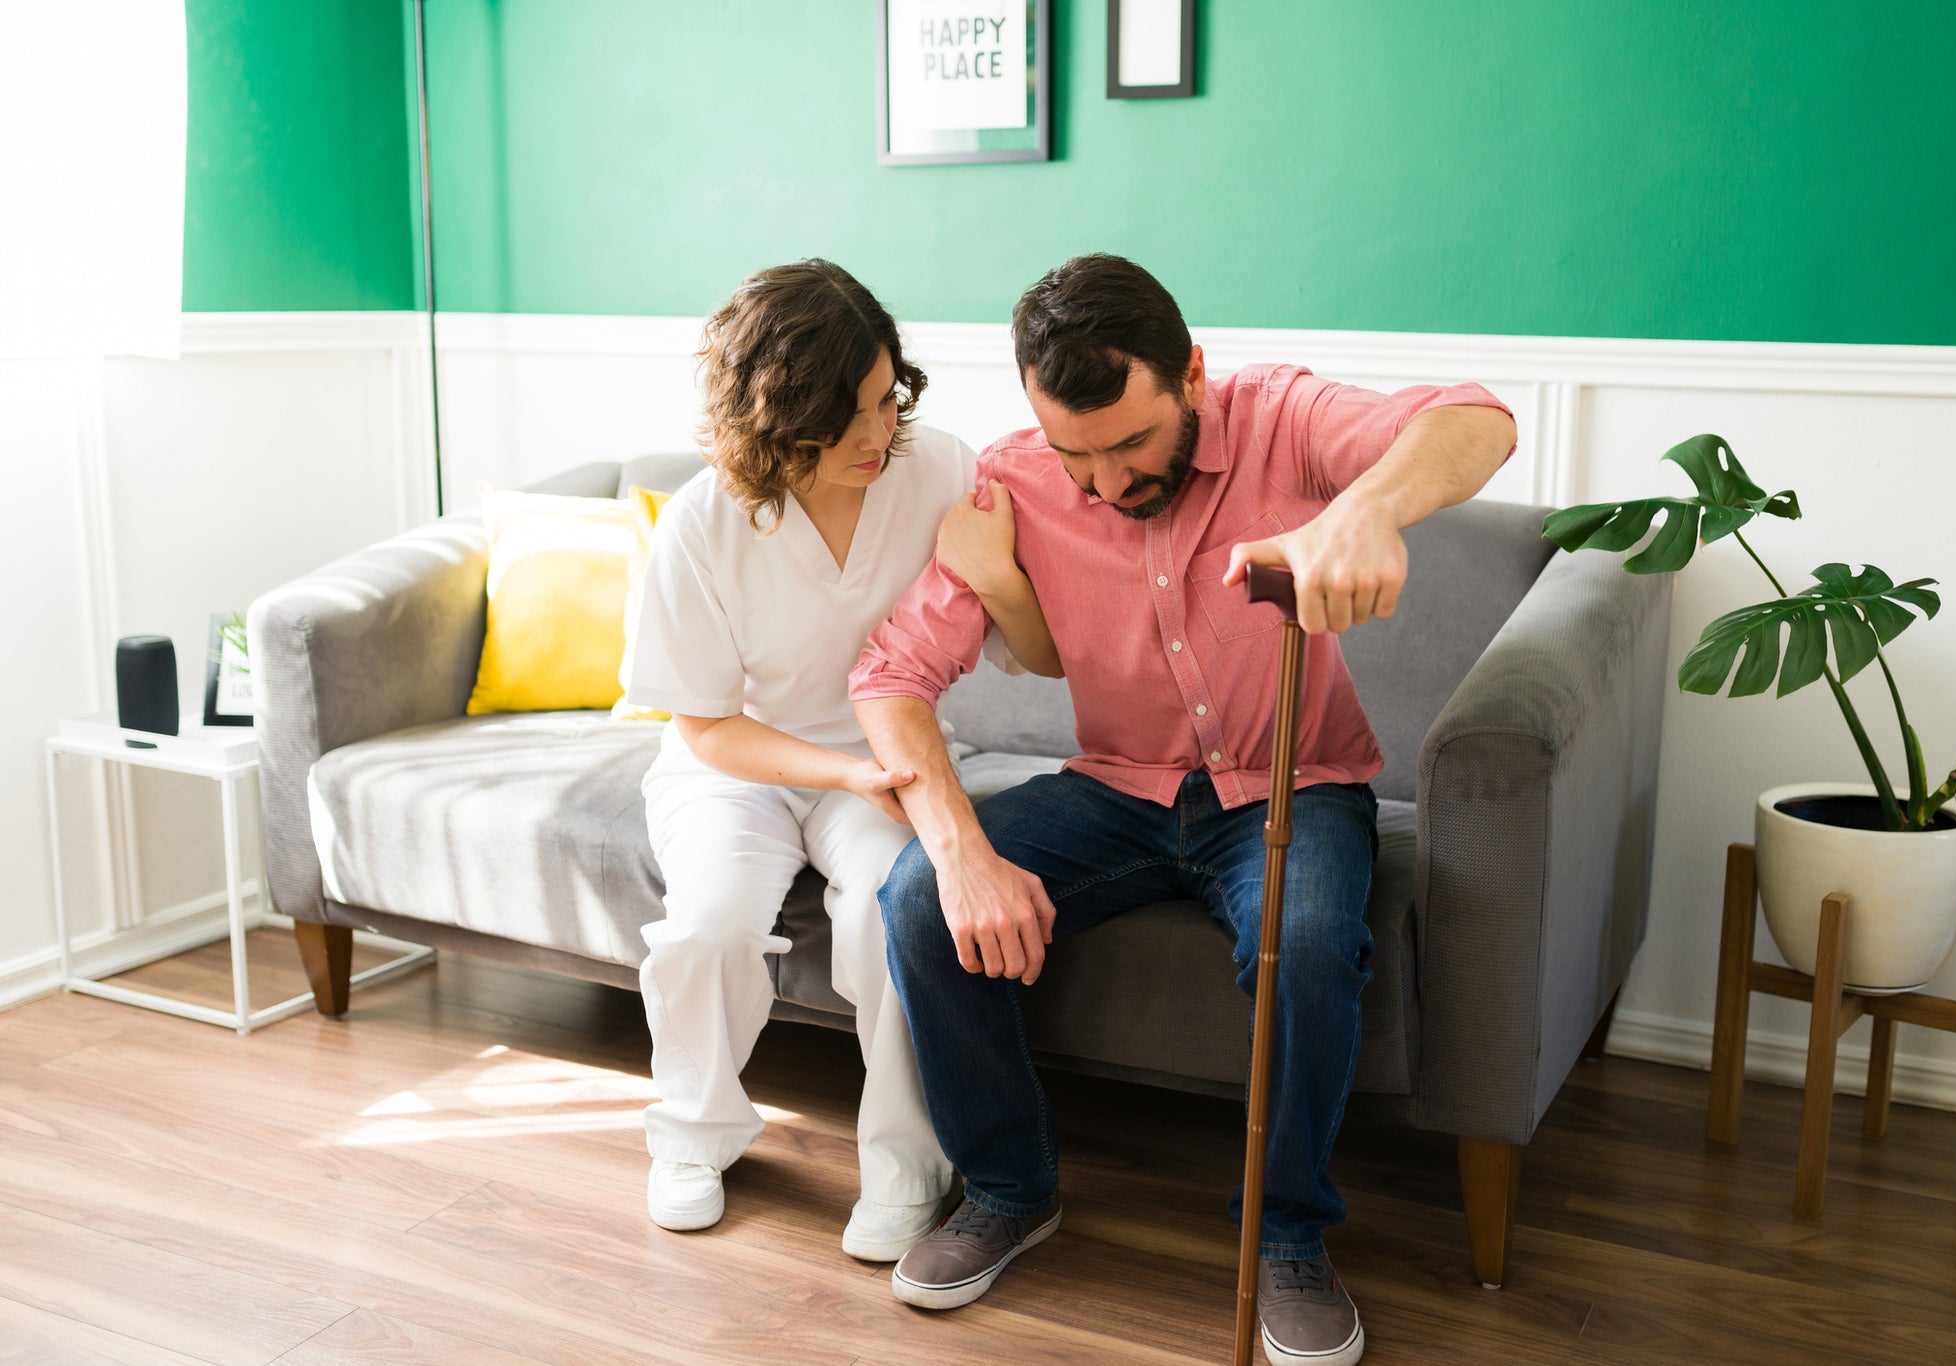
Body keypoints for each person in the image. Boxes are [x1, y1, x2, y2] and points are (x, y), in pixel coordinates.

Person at [848, 254, 1516, 1365]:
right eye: (1077, 455)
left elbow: (1474, 420)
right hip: (1116, 789)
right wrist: (961, 850)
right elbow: (890, 676)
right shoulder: (1014, 483)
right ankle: (1010, 1188)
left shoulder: (1277, 417)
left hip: (1291, 784)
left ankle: (1290, 1236)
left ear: (1190, 376)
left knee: (1303, 946)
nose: (1103, 483)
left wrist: (1363, 513)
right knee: (918, 895)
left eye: (1129, 444)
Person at [622, 259, 1060, 1263]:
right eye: (848, 414)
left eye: (886, 397)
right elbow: (705, 726)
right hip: (734, 767)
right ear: (775, 417)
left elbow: (1034, 655)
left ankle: (907, 1166)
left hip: (890, 759)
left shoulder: (942, 468)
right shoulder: (703, 521)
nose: (878, 433)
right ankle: (691, 1134)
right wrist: (845, 777)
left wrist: (999, 575)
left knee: (890, 917)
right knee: (706, 925)